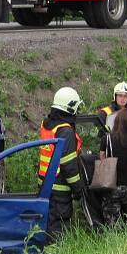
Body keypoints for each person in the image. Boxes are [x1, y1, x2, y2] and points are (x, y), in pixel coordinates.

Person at [38, 87, 86, 242]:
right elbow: (69, 166)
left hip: (45, 184)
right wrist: (78, 189)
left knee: (48, 223)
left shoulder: (47, 125)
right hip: (60, 188)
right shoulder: (65, 132)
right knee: (58, 228)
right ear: (70, 108)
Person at [101, 107, 127, 226]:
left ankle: (117, 243)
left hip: (112, 186)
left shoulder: (106, 139)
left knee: (113, 224)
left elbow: (103, 160)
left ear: (117, 121)